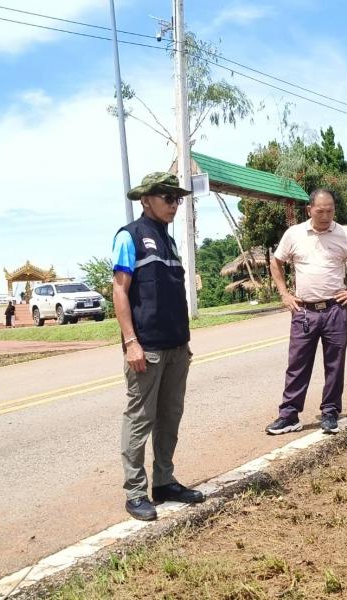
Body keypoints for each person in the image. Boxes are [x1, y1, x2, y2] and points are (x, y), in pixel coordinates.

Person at [112, 172, 205, 521]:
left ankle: (164, 482)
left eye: (177, 198)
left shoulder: (169, 239)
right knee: (140, 420)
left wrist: (184, 344)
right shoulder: (130, 236)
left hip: (176, 347)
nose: (174, 204)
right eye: (167, 197)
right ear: (146, 200)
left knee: (169, 418)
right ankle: (135, 492)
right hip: (146, 349)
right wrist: (131, 342)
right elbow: (120, 290)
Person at [265, 188, 347, 436]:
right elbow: (276, 262)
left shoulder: (345, 234)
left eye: (330, 211)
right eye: (320, 211)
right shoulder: (294, 234)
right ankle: (289, 415)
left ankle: (330, 413)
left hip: (335, 309)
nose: (326, 216)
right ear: (309, 210)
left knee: (334, 364)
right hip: (303, 311)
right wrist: (284, 294)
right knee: (297, 364)